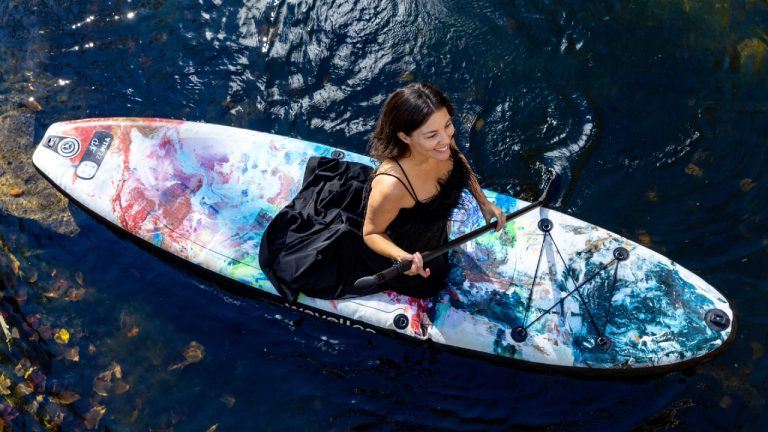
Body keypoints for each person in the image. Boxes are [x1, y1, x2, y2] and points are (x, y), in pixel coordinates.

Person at [259, 83, 505, 303]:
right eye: (432, 135)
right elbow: (372, 232)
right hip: (408, 247)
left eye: (448, 124)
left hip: (435, 232)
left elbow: (457, 157)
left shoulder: (441, 144)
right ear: (404, 136)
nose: (446, 139)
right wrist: (402, 257)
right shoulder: (392, 184)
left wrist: (483, 202)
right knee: (429, 284)